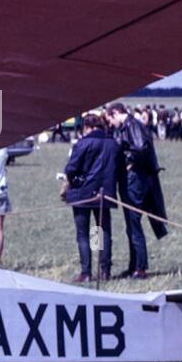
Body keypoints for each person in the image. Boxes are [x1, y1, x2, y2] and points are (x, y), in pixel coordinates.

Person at [107, 101, 167, 279]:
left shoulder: (132, 125)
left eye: (110, 119)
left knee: (134, 224)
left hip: (136, 181)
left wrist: (129, 162)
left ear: (116, 113)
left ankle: (140, 268)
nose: (110, 124)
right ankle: (134, 266)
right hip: (134, 180)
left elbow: (140, 148)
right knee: (131, 226)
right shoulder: (128, 126)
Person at [61, 115, 119, 282]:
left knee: (83, 234)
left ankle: (86, 273)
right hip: (105, 193)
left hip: (82, 193)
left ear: (88, 126)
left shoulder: (83, 142)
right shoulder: (113, 143)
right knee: (100, 232)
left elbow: (71, 168)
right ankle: (104, 271)